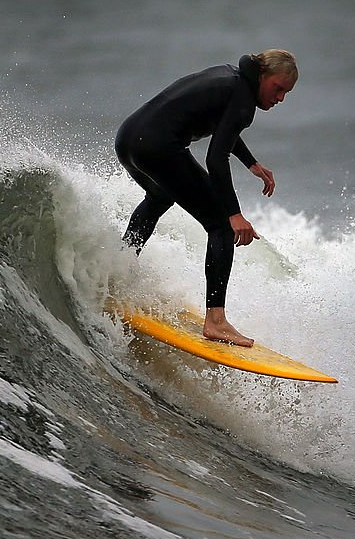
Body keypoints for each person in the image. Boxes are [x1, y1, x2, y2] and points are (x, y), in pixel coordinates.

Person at [114, 49, 298, 347]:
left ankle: (118, 269)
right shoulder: (243, 101)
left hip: (129, 138)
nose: (280, 98)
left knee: (160, 196)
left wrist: (251, 162)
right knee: (222, 227)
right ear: (263, 75)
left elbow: (222, 125)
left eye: (286, 93)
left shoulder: (230, 77)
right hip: (160, 147)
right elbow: (216, 158)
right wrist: (234, 214)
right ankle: (216, 322)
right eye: (278, 89)